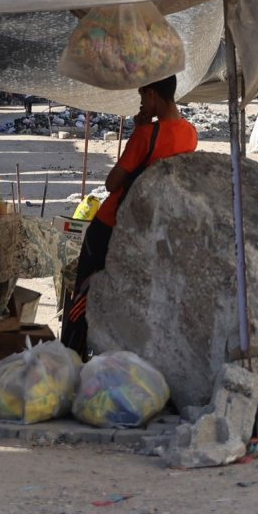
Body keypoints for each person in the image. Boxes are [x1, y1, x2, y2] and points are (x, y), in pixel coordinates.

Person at [61, 76, 198, 355]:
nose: (140, 102)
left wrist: (140, 133)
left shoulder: (147, 135)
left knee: (85, 289)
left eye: (141, 96)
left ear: (152, 95)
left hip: (112, 222)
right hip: (147, 226)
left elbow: (112, 183)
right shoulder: (190, 133)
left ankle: (72, 351)